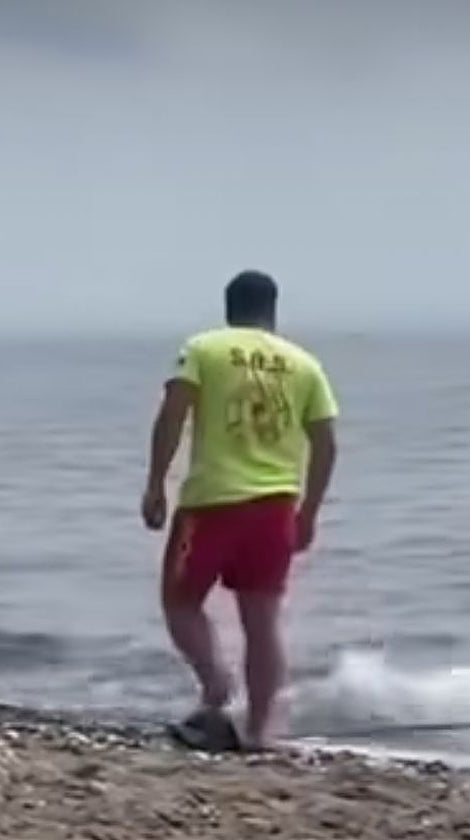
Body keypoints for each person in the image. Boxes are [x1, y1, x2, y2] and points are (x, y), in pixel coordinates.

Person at [140, 270, 338, 750]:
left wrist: (155, 486)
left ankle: (215, 685)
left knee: (181, 603)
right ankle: (261, 732)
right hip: (276, 508)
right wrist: (308, 513)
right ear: (273, 310)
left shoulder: (204, 348)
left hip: (212, 502)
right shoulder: (305, 364)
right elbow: (327, 443)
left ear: (228, 308)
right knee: (263, 620)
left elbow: (173, 413)